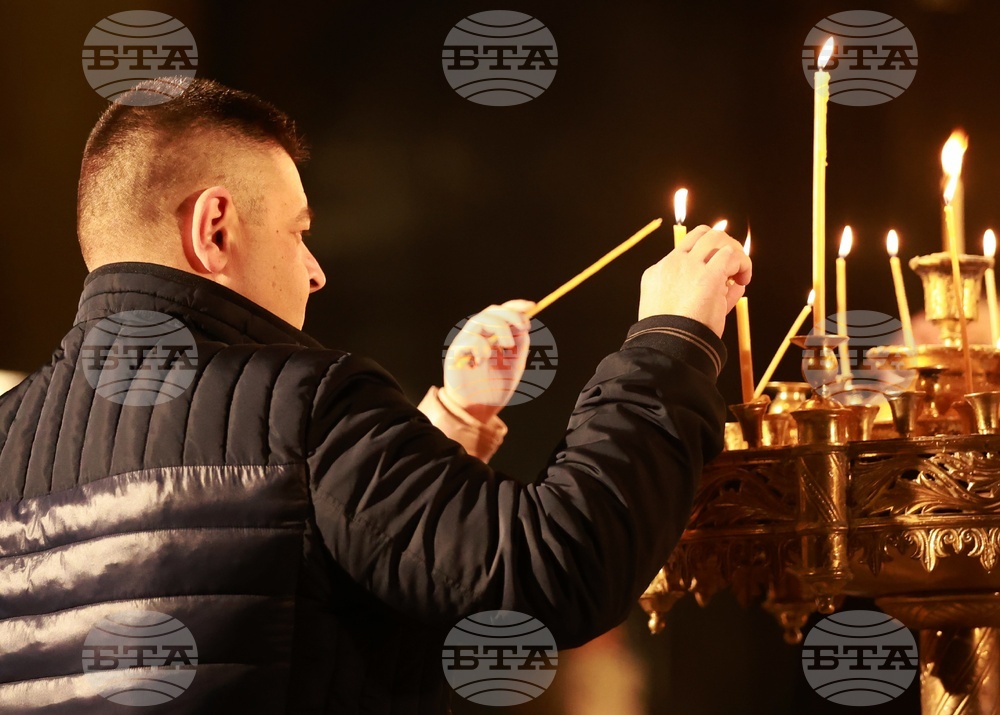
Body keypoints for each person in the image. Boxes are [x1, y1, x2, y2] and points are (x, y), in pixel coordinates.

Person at [0, 77, 751, 713]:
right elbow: (555, 568)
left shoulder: (8, 435)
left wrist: (451, 424)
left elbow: (302, 569)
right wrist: (672, 339)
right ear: (215, 229)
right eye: (297, 233)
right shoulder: (307, 401)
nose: (315, 271)